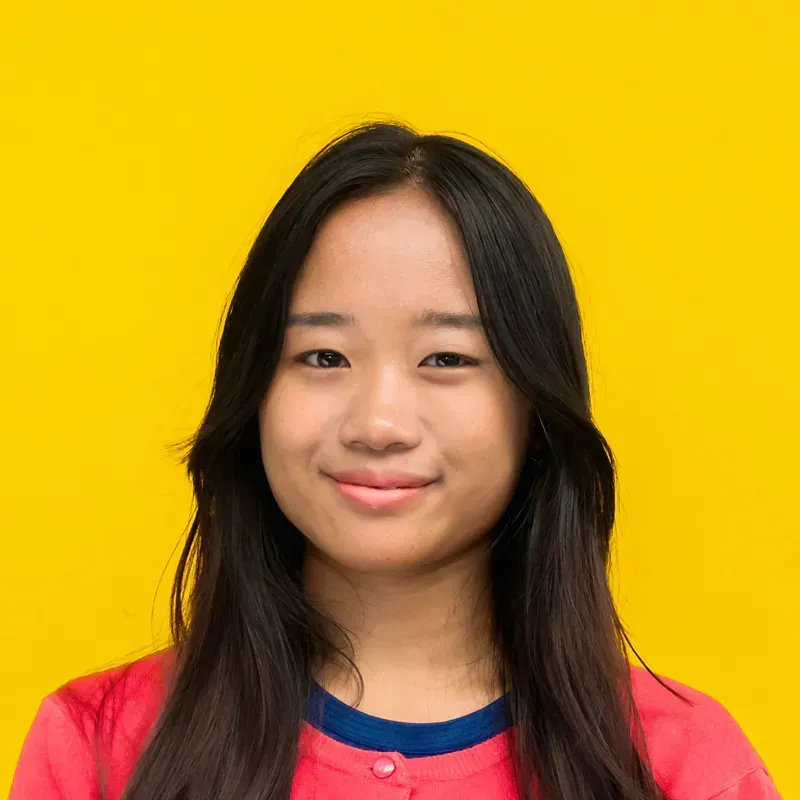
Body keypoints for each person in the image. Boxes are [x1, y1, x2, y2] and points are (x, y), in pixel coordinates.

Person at [10, 122, 781, 800]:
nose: (378, 422)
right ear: (254, 396)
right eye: (322, 355)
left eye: (446, 357)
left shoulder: (682, 767)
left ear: (536, 411)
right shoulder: (102, 750)